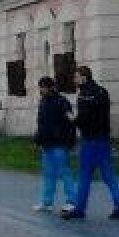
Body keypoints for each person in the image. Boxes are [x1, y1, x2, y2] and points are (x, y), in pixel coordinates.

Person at [61, 65, 119, 221]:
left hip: (90, 140)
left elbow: (83, 119)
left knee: (84, 176)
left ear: (84, 77)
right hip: (104, 138)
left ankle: (79, 208)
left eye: (76, 77)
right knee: (109, 175)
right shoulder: (102, 92)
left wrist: (72, 119)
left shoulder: (84, 95)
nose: (74, 80)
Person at [33, 76, 77, 212]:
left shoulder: (62, 102)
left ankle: (72, 201)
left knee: (65, 173)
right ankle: (47, 202)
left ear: (50, 87)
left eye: (42, 87)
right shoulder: (43, 102)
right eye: (40, 87)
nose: (40, 90)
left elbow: (71, 123)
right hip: (47, 143)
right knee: (48, 174)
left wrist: (70, 142)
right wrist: (38, 139)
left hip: (60, 143)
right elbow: (41, 123)